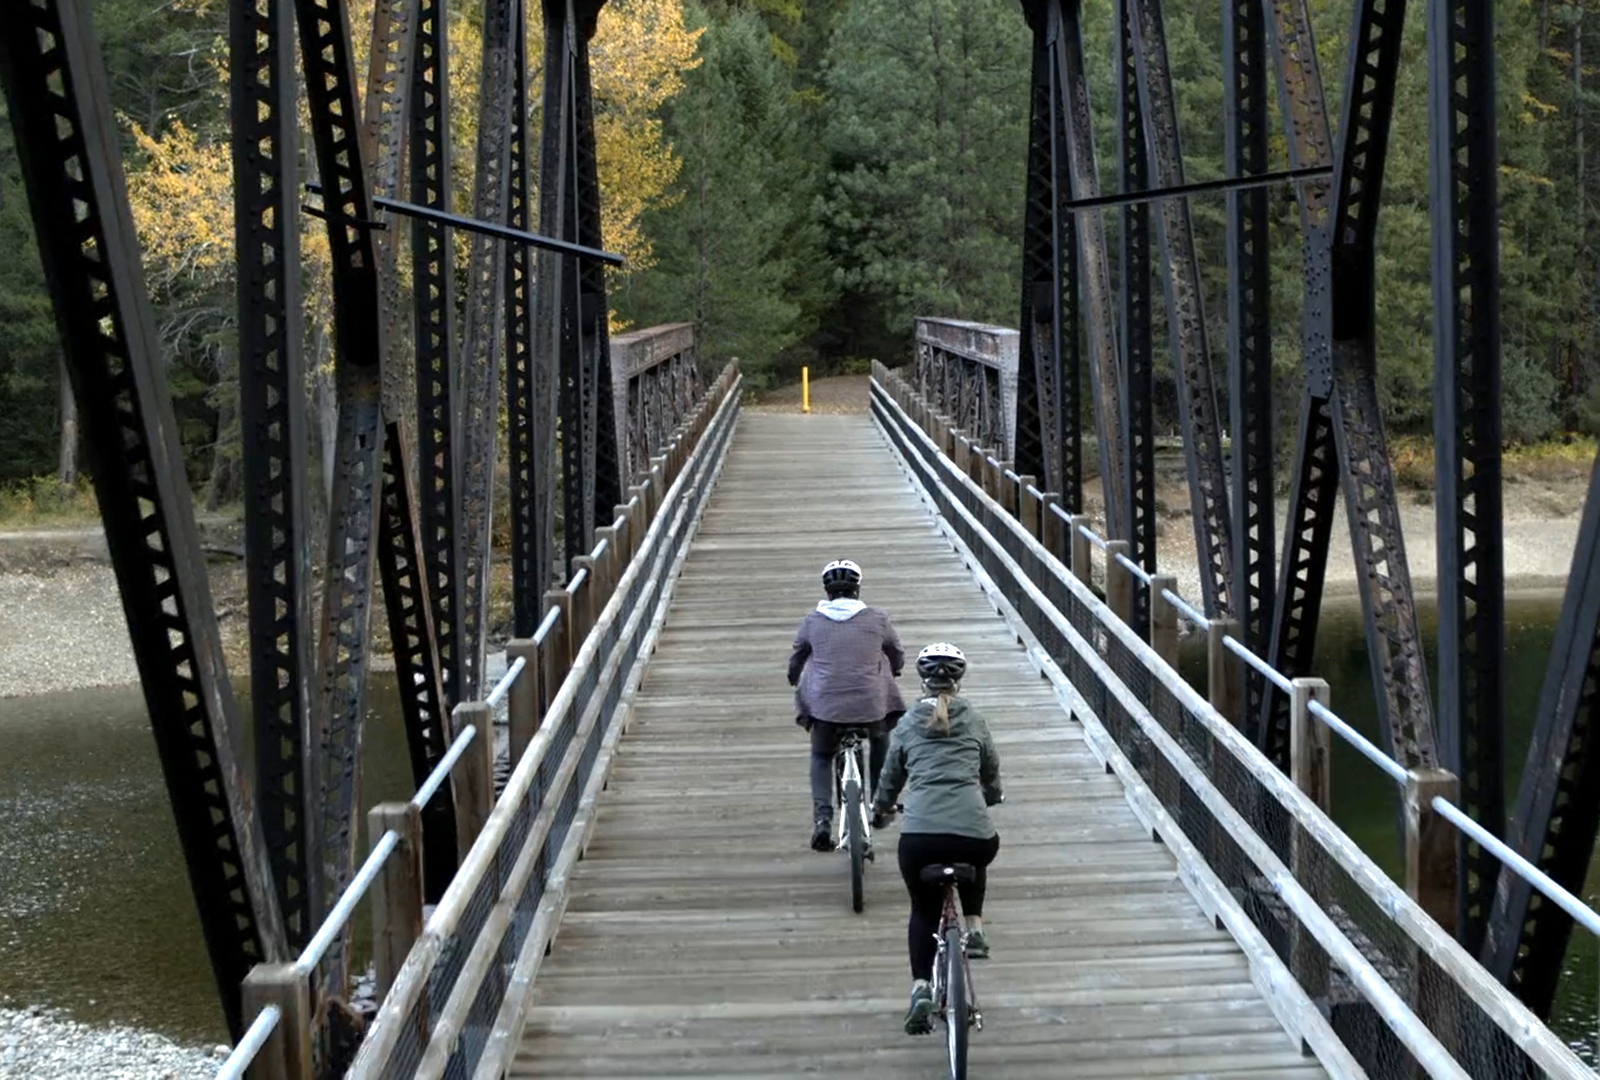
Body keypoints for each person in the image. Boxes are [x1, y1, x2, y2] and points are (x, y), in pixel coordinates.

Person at [871, 641, 1003, 1036]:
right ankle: (975, 927)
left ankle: (921, 988)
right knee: (978, 850)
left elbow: (891, 775)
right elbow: (990, 766)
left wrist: (881, 809)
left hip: (920, 838)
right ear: (960, 680)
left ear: (923, 680)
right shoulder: (974, 719)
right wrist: (992, 795)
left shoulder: (910, 721)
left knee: (923, 909)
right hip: (972, 833)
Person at [788, 559, 906, 852]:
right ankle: (881, 803)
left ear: (827, 591)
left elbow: (797, 657)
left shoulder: (812, 621)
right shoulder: (877, 618)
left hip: (826, 711)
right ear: (857, 588)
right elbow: (896, 652)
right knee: (881, 740)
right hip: (871, 708)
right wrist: (897, 667)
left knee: (821, 755)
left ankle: (822, 821)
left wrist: (793, 676)